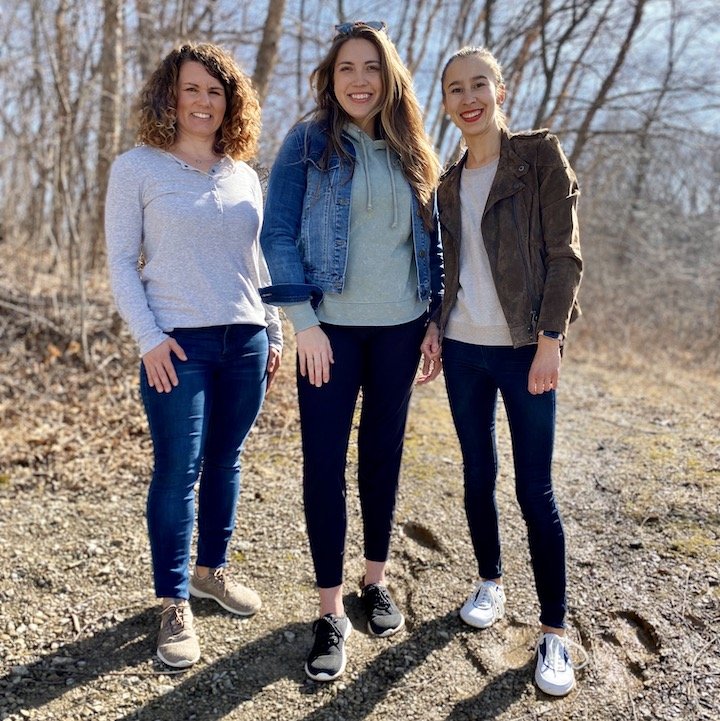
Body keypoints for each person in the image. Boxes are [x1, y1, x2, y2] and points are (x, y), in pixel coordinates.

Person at [259, 21, 442, 682]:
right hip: (328, 334)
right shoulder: (308, 142)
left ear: (388, 75)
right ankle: (331, 610)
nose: (359, 80)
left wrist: (433, 318)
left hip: (400, 330)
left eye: (370, 67)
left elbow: (432, 242)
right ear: (331, 80)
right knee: (324, 464)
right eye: (346, 69)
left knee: (382, 456)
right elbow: (277, 234)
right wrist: (302, 321)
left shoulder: (413, 147)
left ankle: (374, 580)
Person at [105, 42, 282, 669]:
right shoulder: (137, 168)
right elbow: (122, 262)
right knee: (178, 471)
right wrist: (149, 339)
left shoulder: (243, 174)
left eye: (215, 91)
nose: (203, 101)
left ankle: (211, 571)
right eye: (191, 89)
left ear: (229, 101)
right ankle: (172, 600)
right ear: (169, 97)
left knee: (226, 461)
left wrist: (275, 330)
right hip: (178, 345)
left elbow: (257, 261)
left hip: (246, 340)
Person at [421, 46, 587, 696]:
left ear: (501, 88)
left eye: (478, 85)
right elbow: (448, 270)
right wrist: (435, 326)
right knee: (476, 473)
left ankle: (554, 634)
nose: (469, 98)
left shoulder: (538, 156)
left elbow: (565, 255)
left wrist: (551, 339)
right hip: (464, 349)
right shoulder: (446, 184)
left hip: (525, 350)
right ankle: (488, 579)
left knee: (534, 490)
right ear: (446, 103)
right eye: (456, 89)